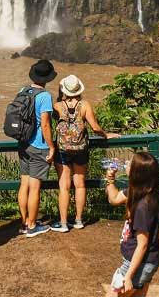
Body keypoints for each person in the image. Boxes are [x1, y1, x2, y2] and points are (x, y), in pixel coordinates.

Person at [50, 74, 116, 232]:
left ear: (64, 90)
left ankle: (64, 223)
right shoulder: (85, 104)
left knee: (64, 187)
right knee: (80, 185)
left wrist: (60, 94)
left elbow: (53, 121)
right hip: (80, 149)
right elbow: (95, 127)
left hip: (62, 149)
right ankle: (79, 220)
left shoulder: (57, 106)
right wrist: (107, 135)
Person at [105, 152, 159, 296]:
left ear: (137, 173)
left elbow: (142, 244)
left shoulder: (143, 207)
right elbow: (113, 199)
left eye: (130, 163)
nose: (126, 163)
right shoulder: (140, 191)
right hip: (145, 260)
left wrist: (129, 276)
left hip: (139, 263)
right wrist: (110, 179)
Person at [17, 59, 57, 238]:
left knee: (24, 185)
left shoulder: (23, 90)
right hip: (38, 145)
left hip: (24, 143)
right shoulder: (45, 96)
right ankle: (32, 226)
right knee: (34, 188)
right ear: (47, 78)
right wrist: (51, 147)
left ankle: (24, 222)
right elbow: (46, 125)